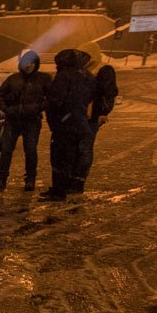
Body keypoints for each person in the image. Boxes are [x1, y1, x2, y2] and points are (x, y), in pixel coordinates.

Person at [41, 49, 96, 201]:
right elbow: (92, 95)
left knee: (60, 157)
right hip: (81, 122)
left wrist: (53, 116)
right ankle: (72, 185)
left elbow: (55, 100)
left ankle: (58, 191)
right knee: (75, 156)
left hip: (65, 124)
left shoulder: (63, 76)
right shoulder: (88, 75)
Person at [0, 50, 50, 192]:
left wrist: (37, 108)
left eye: (32, 63)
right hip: (13, 119)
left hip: (32, 120)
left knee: (30, 151)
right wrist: (8, 109)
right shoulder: (13, 79)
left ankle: (30, 179)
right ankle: (1, 179)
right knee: (6, 150)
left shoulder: (43, 79)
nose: (29, 66)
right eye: (26, 63)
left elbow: (51, 97)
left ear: (36, 64)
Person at [76, 64, 117, 193]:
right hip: (91, 120)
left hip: (88, 119)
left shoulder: (96, 84)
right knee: (85, 148)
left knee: (83, 148)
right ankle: (79, 178)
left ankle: (78, 178)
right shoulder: (108, 89)